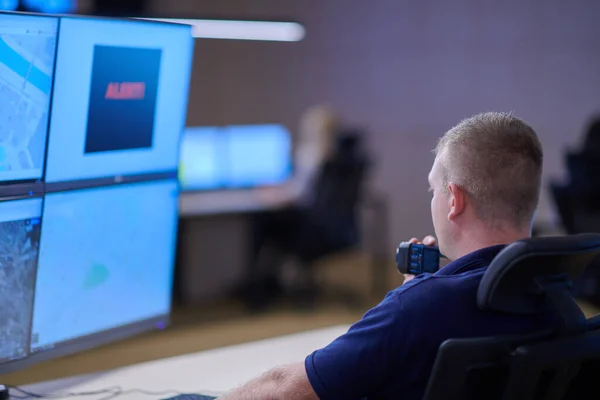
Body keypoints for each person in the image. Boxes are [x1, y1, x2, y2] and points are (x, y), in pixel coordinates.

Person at [220, 111, 550, 399]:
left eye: (433, 190)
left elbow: (283, 390)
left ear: (454, 201)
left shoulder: (415, 312)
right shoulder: (558, 298)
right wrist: (417, 290)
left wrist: (413, 298)